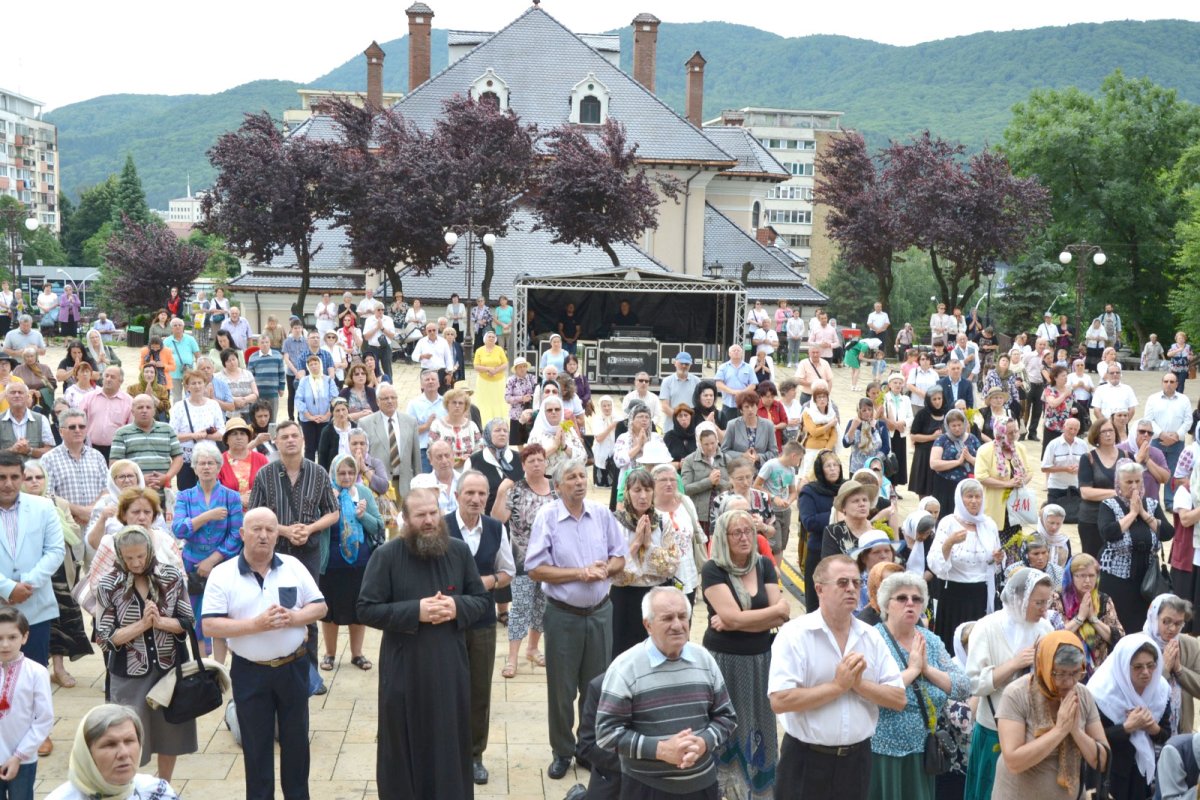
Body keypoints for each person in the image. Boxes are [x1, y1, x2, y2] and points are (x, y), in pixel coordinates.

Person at [355, 488, 490, 797]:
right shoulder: (386, 555)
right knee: (403, 743)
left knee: (449, 741)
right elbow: (365, 609)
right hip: (405, 670)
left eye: (433, 513)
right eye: (421, 515)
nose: (429, 520)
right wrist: (416, 611)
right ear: (405, 519)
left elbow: (481, 601)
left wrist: (456, 607)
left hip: (449, 668)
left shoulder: (457, 551)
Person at [202, 507, 327, 800]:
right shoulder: (223, 574)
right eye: (256, 529)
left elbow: (319, 606)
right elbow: (209, 622)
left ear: (277, 535)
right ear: (243, 534)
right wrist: (255, 625)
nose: (264, 535)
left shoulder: (293, 566)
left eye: (270, 530)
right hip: (250, 671)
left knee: (296, 744)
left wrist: (294, 618)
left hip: (293, 668)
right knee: (256, 748)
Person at [768, 554, 906, 800]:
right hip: (806, 760)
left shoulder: (871, 637)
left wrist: (859, 685)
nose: (852, 589)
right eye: (842, 583)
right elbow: (780, 700)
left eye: (856, 582)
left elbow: (898, 698)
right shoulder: (795, 635)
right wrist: (837, 686)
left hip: (856, 762)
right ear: (819, 589)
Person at [525, 458, 627, 779]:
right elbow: (535, 568)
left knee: (595, 686)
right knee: (562, 688)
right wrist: (579, 574)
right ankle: (561, 750)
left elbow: (620, 557)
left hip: (600, 613)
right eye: (571, 477)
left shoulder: (601, 514)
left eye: (583, 475)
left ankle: (587, 749)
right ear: (558, 486)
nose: (580, 482)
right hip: (563, 616)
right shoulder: (548, 517)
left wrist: (604, 569)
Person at [594, 586, 737, 800]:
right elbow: (606, 733)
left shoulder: (704, 660)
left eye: (682, 617)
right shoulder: (626, 667)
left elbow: (727, 718)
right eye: (667, 618)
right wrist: (661, 750)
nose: (677, 625)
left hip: (703, 785)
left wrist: (704, 742)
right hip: (646, 789)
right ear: (648, 625)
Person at [94, 526, 196, 782]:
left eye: (140, 556)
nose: (136, 563)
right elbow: (105, 637)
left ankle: (164, 785)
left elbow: (187, 621)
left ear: (150, 550)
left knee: (169, 734)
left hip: (169, 669)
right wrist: (141, 625)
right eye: (129, 558)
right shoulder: (108, 584)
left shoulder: (171, 576)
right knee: (125, 736)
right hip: (129, 673)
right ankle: (128, 787)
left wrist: (160, 622)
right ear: (119, 555)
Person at [701, 509, 788, 798]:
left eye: (749, 531)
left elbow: (782, 614)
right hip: (725, 661)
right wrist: (758, 616)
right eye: (736, 532)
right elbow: (759, 614)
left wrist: (736, 620)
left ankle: (758, 787)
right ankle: (726, 787)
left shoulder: (763, 564)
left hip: (762, 660)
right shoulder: (714, 569)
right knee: (728, 723)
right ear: (723, 538)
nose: (744, 537)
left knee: (760, 721)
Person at [870, 572, 970, 800]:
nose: (910, 604)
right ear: (886, 604)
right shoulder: (873, 639)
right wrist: (912, 671)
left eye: (916, 599)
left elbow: (964, 686)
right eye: (902, 598)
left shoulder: (930, 640)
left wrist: (927, 669)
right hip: (884, 750)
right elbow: (871, 691)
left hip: (924, 751)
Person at [446, 471, 514, 785]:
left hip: (484, 623)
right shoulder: (441, 527)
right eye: (469, 493)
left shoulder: (496, 529)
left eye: (481, 494)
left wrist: (483, 583)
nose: (475, 499)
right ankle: (443, 752)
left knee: (478, 692)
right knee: (444, 688)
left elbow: (507, 572)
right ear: (458, 495)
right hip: (445, 624)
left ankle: (475, 755)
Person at [963, 567, 1056, 800]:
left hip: (1034, 729)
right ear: (1019, 598)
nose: (1045, 611)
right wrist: (1014, 664)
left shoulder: (1045, 629)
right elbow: (973, 683)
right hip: (994, 728)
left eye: (1047, 603)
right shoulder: (987, 627)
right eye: (1038, 603)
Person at [990, 629, 1109, 800]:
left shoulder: (1083, 696)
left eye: (1076, 673)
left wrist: (1076, 731)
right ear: (1045, 666)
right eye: (1059, 673)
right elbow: (1013, 762)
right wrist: (1060, 730)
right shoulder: (1016, 694)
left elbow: (1102, 761)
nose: (1068, 682)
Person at [20, 459, 89, 690]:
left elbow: (74, 533)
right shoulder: (14, 506)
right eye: (28, 478)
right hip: (28, 573)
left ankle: (58, 668)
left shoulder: (57, 503)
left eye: (38, 477)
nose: (34, 482)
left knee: (60, 619)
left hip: (60, 571)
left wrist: (52, 522)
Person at [171, 441, 242, 662]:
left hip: (222, 565)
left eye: (211, 463)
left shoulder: (232, 496)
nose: (206, 467)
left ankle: (219, 667)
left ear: (219, 466)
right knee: (196, 615)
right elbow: (179, 529)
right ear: (194, 467)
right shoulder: (185, 496)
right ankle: (202, 666)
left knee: (221, 614)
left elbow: (236, 535)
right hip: (192, 566)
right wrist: (206, 516)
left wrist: (213, 559)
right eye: (201, 463)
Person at [319, 453, 383, 675]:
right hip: (331, 563)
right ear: (333, 473)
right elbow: (316, 524)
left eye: (350, 472)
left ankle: (357, 653)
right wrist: (331, 503)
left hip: (360, 562)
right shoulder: (325, 492)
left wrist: (362, 516)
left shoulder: (363, 492)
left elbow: (378, 526)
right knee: (329, 612)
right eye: (341, 472)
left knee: (358, 609)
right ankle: (329, 653)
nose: (346, 477)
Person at [1087, 633, 1171, 800]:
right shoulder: (1101, 692)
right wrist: (1127, 728)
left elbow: (1165, 735)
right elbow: (1090, 740)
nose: (1146, 672)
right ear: (1124, 666)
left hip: (1141, 773)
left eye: (1150, 665)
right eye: (1138, 667)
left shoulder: (1160, 689)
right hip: (1107, 773)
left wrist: (1152, 728)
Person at [927, 479, 1003, 652]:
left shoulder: (988, 524)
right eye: (969, 496)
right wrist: (950, 542)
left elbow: (994, 563)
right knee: (953, 646)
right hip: (955, 595)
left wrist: (998, 558)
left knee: (978, 646)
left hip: (981, 594)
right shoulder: (948, 523)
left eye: (978, 496)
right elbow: (935, 563)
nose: (974, 501)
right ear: (960, 499)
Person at [44, 704, 181, 800]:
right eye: (110, 744)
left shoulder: (157, 792)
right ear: (86, 754)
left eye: (129, 741)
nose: (123, 753)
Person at [1099, 460, 1172, 631]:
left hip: (1146, 579)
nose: (1134, 486)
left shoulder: (1152, 505)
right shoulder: (1109, 505)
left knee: (1142, 626)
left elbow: (1168, 533)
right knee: (1118, 625)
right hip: (1117, 578)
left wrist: (1143, 514)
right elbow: (1109, 533)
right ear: (1118, 483)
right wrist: (1132, 514)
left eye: (1138, 481)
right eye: (1129, 482)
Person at [358, 383, 421, 499]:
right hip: (379, 487)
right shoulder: (365, 423)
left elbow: (416, 457)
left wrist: (419, 483)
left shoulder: (410, 422)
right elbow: (363, 456)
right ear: (377, 402)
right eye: (385, 398)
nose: (390, 401)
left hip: (406, 484)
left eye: (393, 397)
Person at [974, 416, 1030, 540]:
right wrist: (1007, 484)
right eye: (1010, 433)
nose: (1015, 435)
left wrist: (1021, 481)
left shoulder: (1020, 448)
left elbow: (1029, 472)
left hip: (1016, 507)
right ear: (1000, 433)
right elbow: (981, 477)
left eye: (1016, 431)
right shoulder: (985, 450)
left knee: (1014, 543)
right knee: (995, 543)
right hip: (994, 506)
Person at [928, 409, 980, 517]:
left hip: (968, 486)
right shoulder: (942, 440)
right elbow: (934, 464)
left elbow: (983, 463)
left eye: (959, 425)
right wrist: (957, 462)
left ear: (964, 423)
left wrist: (970, 458)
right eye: (953, 426)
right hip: (946, 486)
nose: (957, 428)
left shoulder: (973, 439)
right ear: (948, 426)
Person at [429, 387, 484, 469]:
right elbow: (432, 451)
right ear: (447, 404)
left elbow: (479, 449)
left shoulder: (472, 426)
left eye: (461, 403)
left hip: (469, 471)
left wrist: (467, 462)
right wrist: (455, 464)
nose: (457, 406)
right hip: (443, 471)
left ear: (465, 406)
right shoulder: (436, 425)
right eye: (454, 403)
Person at [908, 386, 948, 498]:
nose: (937, 402)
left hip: (942, 456)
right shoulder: (923, 414)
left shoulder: (947, 413)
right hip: (924, 455)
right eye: (934, 399)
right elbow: (913, 436)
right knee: (924, 488)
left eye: (939, 398)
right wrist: (932, 437)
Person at [659, 353, 700, 432]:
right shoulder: (667, 381)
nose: (684, 366)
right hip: (672, 426)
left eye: (686, 364)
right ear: (675, 363)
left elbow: (699, 405)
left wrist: (687, 421)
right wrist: (679, 420)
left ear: (690, 365)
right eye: (681, 363)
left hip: (691, 426)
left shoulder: (697, 381)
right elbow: (664, 406)